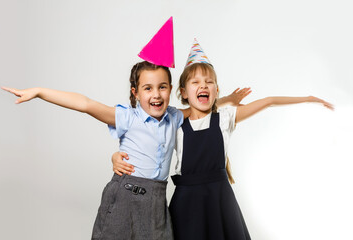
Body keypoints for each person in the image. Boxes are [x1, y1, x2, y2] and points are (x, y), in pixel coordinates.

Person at [111, 39, 333, 240]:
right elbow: (144, 138)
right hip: (187, 202)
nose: (203, 86)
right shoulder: (174, 121)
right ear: (183, 92)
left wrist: (308, 99)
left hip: (220, 200)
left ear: (215, 90)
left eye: (209, 82)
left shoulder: (225, 118)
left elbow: (269, 101)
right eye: (196, 82)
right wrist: (115, 156)